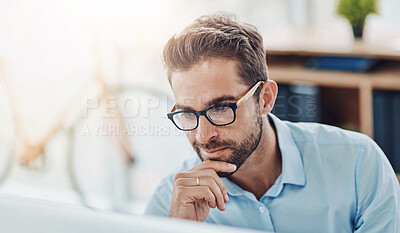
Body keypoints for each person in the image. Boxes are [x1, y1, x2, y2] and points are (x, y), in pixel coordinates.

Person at [144, 13, 400, 232]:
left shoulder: (358, 164)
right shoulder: (171, 201)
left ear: (265, 98)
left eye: (221, 108)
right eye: (188, 113)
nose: (202, 135)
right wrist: (179, 228)